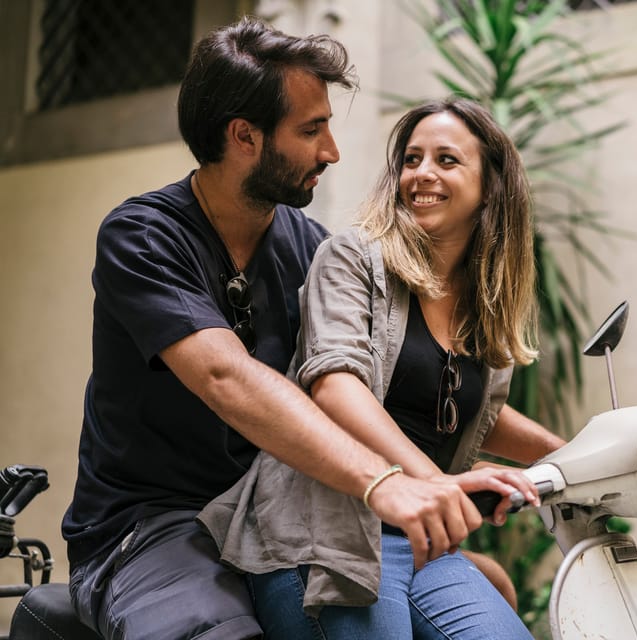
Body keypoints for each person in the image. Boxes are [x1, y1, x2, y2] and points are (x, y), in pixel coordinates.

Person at [61, 19, 501, 640]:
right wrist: (383, 483)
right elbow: (224, 376)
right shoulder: (143, 237)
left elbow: (393, 380)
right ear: (245, 136)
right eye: (310, 129)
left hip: (280, 517)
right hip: (153, 525)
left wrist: (446, 489)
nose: (332, 151)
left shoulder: (312, 248)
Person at [198, 97, 567, 639]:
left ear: (490, 185)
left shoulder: (483, 300)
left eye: (446, 160)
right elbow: (335, 384)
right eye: (412, 159)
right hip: (322, 532)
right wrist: (437, 483)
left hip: (419, 535)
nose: (422, 174)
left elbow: (473, 411)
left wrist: (585, 457)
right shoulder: (351, 258)